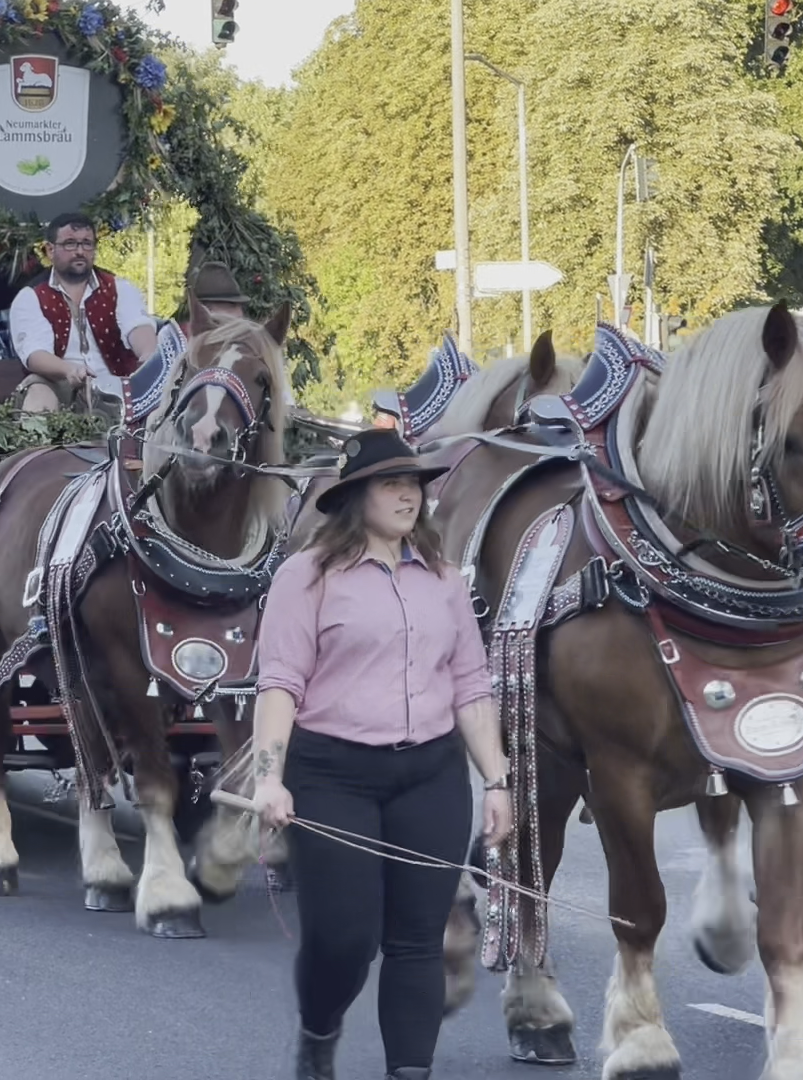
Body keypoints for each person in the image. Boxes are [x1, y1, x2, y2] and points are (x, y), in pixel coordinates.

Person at [252, 428, 513, 1080]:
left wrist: (498, 781)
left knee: (418, 941)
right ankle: (318, 1029)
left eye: (416, 484)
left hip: (429, 775)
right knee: (345, 939)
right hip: (332, 775)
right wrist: (269, 778)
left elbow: (470, 684)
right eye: (391, 483)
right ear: (354, 496)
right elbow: (280, 684)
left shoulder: (445, 581)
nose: (409, 495)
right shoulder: (305, 577)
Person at [9, 212, 157, 418]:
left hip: (115, 388)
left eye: (87, 243)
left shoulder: (120, 288)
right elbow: (34, 355)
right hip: (59, 386)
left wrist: (148, 353)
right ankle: (40, 447)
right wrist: (69, 370)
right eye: (70, 244)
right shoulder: (30, 297)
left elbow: (138, 326)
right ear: (50, 250)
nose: (80, 251)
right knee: (38, 392)